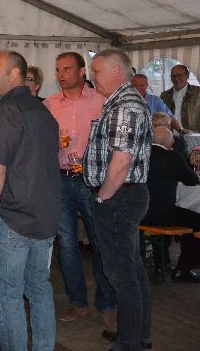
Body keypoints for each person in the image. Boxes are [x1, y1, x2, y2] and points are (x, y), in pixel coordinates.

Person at [0, 50, 61, 351]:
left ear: (14, 73)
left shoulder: (7, 109)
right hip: (44, 216)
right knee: (40, 290)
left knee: (8, 296)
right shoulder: (42, 110)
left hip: (12, 217)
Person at [84, 49, 152, 350]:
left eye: (96, 71)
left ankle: (129, 341)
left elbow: (121, 162)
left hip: (119, 197)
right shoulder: (122, 102)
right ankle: (137, 333)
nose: (92, 77)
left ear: (115, 71)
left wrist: (102, 198)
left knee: (122, 274)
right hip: (124, 195)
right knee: (132, 270)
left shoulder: (125, 106)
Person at [43, 52, 116, 328]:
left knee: (100, 242)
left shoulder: (101, 101)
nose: (61, 74)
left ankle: (107, 304)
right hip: (60, 178)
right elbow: (42, 141)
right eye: (58, 69)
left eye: (67, 69)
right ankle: (77, 301)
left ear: (82, 71)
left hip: (91, 179)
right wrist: (52, 144)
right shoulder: (50, 104)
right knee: (67, 244)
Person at [143, 126, 200, 282]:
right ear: (170, 142)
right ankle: (184, 268)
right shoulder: (173, 157)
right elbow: (192, 180)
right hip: (163, 215)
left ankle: (167, 264)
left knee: (186, 218)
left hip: (140, 213)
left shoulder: (141, 155)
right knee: (196, 221)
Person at [160, 64, 199, 132]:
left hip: (192, 134)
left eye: (179, 75)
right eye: (173, 76)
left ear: (187, 76)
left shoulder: (198, 92)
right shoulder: (164, 95)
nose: (176, 78)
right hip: (170, 135)